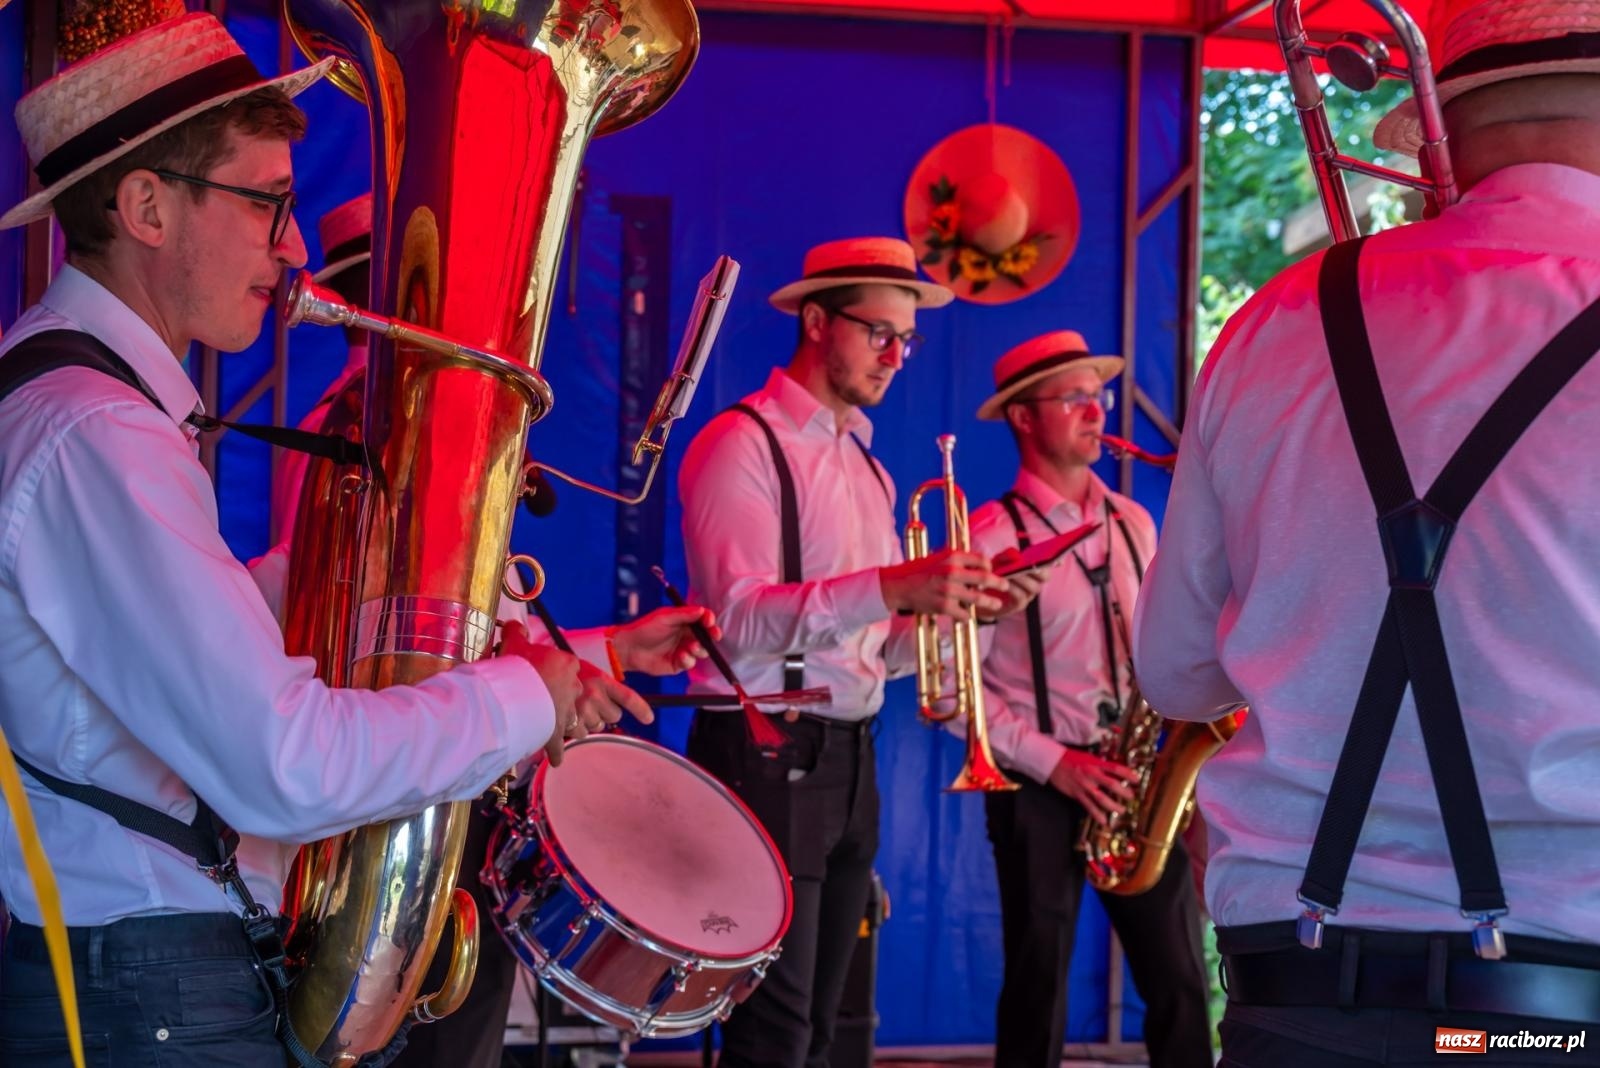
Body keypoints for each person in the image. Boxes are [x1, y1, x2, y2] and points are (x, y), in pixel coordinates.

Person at [0, 14, 647, 1065]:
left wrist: (382, 580)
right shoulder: (98, 437)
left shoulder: (80, 409)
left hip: (150, 987)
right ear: (149, 208)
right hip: (156, 1002)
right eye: (269, 203)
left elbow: (128, 658)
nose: (293, 248)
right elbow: (281, 767)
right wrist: (528, 696)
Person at [1132, 0, 1600, 1063]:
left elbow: (1175, 677)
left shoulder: (1271, 322)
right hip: (1564, 1011)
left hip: (1292, 992)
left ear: (1440, 120)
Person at [264, 196, 724, 1068]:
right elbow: (362, 644)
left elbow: (472, 631)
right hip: (406, 804)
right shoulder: (360, 426)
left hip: (442, 780)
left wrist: (612, 650)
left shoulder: (412, 420)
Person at [677, 235, 1023, 1068]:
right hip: (764, 752)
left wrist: (965, 616)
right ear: (818, 321)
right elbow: (740, 621)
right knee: (773, 1029)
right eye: (880, 334)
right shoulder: (740, 444)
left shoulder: (863, 465)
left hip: (848, 755)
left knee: (827, 1031)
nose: (898, 357)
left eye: (909, 340)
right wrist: (898, 588)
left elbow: (872, 644)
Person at [965, 330, 1211, 1068]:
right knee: (1037, 985)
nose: (1096, 411)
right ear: (1024, 418)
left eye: (1097, 395)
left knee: (1180, 984)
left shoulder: (1134, 523)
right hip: (1035, 785)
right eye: (1072, 398)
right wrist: (1057, 764)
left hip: (1135, 778)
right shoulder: (987, 535)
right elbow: (959, 698)